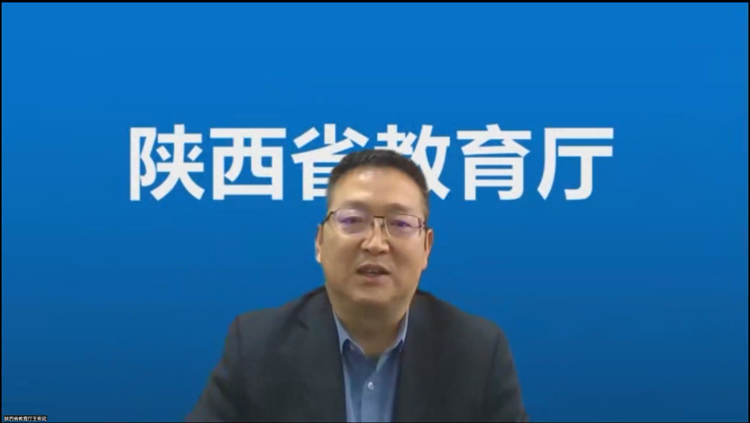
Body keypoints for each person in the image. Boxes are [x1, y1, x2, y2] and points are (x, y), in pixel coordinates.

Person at [186, 149, 528, 422]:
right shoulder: (257, 345)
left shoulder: (477, 352)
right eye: (352, 220)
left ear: (426, 247)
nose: (376, 243)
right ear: (319, 242)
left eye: (399, 223)